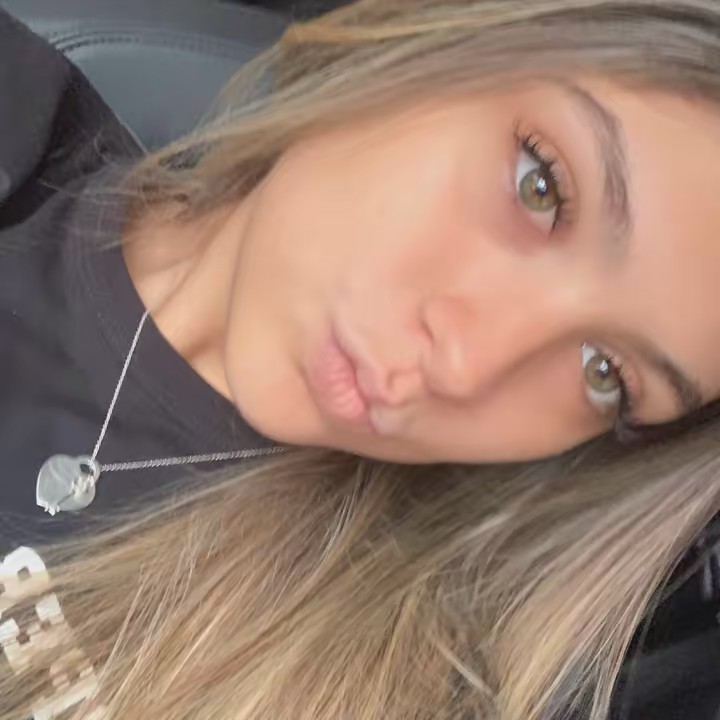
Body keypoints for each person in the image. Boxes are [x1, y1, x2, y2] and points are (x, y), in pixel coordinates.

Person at [2, 0, 720, 717]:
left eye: (605, 373)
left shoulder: (379, 680)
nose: (467, 367)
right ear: (441, 42)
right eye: (541, 187)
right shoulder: (21, 112)